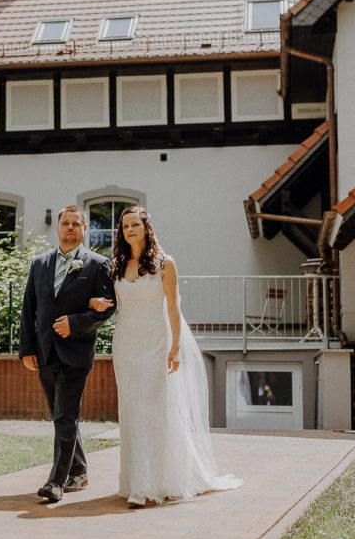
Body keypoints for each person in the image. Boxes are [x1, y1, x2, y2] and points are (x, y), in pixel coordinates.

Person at [89, 205, 242, 507]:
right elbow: (110, 303)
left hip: (156, 342)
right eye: (125, 226)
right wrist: (95, 302)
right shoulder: (116, 264)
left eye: (135, 224)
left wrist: (175, 346)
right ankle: (134, 480)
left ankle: (147, 486)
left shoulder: (164, 263)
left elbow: (173, 307)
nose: (129, 230)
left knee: (153, 409)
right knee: (131, 410)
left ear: (146, 227)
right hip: (126, 345)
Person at [19, 205, 116, 503]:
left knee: (64, 415)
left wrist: (75, 323)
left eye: (76, 223)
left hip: (76, 352)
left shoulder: (98, 264)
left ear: (85, 229)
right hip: (45, 351)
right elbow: (29, 309)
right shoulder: (39, 264)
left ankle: (56, 482)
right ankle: (80, 470)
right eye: (66, 223)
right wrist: (27, 349)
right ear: (58, 227)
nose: (70, 228)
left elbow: (108, 306)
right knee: (62, 417)